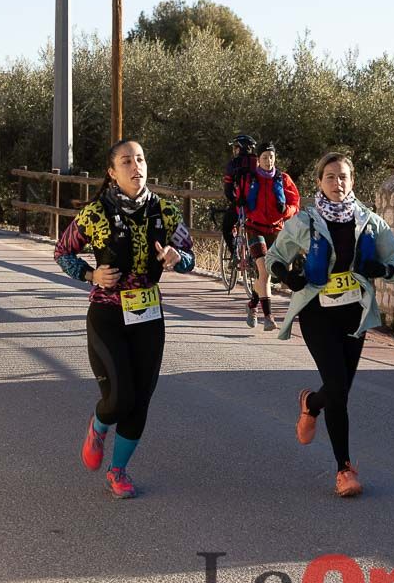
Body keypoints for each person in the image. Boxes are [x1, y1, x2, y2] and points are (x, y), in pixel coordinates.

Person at [53, 140, 195, 499]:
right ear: (112, 172)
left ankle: (118, 471)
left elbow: (189, 255)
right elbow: (62, 251)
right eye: (126, 161)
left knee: (141, 399)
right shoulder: (95, 213)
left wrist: (178, 259)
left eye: (141, 159)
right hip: (108, 314)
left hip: (149, 315)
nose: (136, 166)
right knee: (119, 399)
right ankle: (99, 425)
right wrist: (90, 275)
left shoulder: (166, 212)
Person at [266, 152, 394, 498]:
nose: (337, 183)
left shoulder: (369, 222)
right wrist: (287, 276)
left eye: (343, 177)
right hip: (317, 313)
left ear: (352, 181)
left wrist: (382, 271)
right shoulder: (306, 222)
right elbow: (273, 257)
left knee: (339, 390)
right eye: (330, 177)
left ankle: (311, 403)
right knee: (338, 387)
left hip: (354, 314)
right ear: (319, 183)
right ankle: (344, 470)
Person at [241, 141, 299, 331]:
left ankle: (252, 304)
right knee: (264, 271)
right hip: (254, 228)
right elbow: (238, 200)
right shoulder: (251, 178)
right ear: (258, 160)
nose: (268, 161)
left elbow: (295, 203)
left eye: (271, 157)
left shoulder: (283, 179)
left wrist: (286, 211)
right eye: (264, 157)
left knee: (270, 274)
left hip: (276, 229)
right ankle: (268, 317)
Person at [220, 134, 258, 257]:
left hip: (240, 204)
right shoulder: (259, 162)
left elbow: (228, 190)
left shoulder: (233, 164)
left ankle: (234, 255)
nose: (234, 150)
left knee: (226, 227)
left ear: (240, 148)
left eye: (236, 147)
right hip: (258, 206)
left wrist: (235, 201)